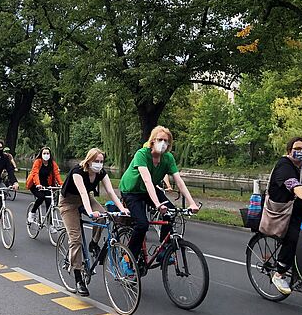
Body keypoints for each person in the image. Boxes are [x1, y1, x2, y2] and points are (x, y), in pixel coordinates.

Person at [120, 126, 199, 263]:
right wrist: (157, 204)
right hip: (131, 191)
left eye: (166, 141)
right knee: (142, 224)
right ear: (152, 141)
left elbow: (179, 181)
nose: (163, 143)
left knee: (170, 213)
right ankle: (127, 259)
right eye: (159, 139)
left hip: (147, 190)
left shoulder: (168, 158)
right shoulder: (142, 154)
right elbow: (147, 180)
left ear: (169, 144)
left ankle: (163, 251)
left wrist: (192, 202)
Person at [59, 147, 128, 296]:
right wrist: (90, 212)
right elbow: (83, 191)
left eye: (101, 161)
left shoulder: (101, 173)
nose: (99, 164)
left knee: (104, 216)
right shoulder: (78, 171)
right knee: (75, 240)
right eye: (96, 161)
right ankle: (78, 278)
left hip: (87, 200)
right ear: (89, 161)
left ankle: (93, 243)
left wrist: (122, 208)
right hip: (68, 202)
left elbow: (110, 191)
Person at [265, 136, 302, 294]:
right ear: (289, 151)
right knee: (295, 237)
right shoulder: (283, 165)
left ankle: (300, 267)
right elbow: (293, 184)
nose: (301, 151)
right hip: (283, 212)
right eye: (297, 149)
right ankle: (279, 273)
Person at [26, 147, 63, 229]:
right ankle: (32, 213)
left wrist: (61, 184)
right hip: (35, 185)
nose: (46, 155)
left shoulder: (52, 164)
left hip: (47, 185)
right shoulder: (38, 162)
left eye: (48, 153)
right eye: (44, 153)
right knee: (41, 197)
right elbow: (35, 173)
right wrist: (38, 184)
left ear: (50, 155)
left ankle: (50, 224)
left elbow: (57, 174)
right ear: (41, 154)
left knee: (49, 202)